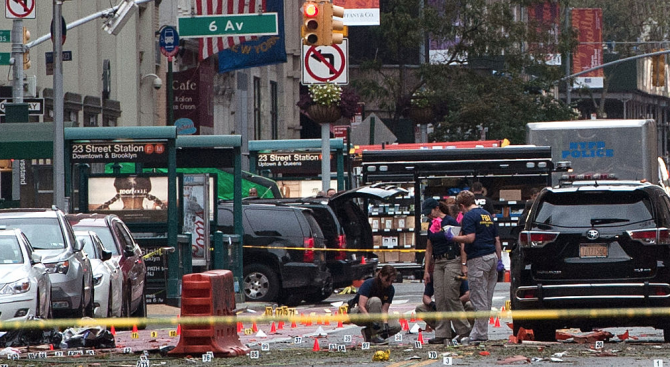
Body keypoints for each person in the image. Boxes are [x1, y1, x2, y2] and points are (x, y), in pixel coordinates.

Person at [452, 190, 502, 344]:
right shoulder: (486, 214)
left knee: (478, 298)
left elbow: (470, 238)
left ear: (462, 205)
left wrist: (452, 237)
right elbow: (497, 239)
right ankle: (482, 332)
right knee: (487, 298)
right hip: (492, 257)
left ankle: (479, 334)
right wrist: (499, 260)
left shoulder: (469, 216)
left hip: (478, 259)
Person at [421, 198, 471, 346]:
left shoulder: (451, 222)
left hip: (452, 261)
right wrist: (426, 271)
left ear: (437, 208)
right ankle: (443, 333)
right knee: (440, 298)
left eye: (429, 212)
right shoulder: (431, 225)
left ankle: (464, 331)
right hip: (438, 262)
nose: (428, 216)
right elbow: (428, 249)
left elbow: (461, 244)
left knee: (451, 296)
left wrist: (463, 265)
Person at [349, 265, 402, 344]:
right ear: (380, 275)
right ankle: (375, 336)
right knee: (375, 301)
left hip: (377, 315)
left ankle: (369, 333)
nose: (389, 283)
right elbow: (361, 306)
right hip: (359, 313)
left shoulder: (390, 289)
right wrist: (371, 320)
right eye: (387, 280)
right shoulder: (368, 284)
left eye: (391, 281)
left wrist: (385, 324)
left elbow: (384, 309)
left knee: (396, 326)